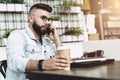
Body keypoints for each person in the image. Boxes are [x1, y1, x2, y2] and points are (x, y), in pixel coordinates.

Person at [6, 3, 69, 80]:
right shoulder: (17, 36)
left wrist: (56, 39)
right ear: (31, 18)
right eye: (43, 18)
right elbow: (14, 62)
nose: (47, 23)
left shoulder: (47, 41)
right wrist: (43, 64)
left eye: (48, 19)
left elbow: (62, 62)